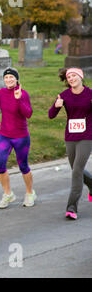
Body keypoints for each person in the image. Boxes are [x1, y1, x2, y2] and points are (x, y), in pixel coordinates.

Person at [0, 67, 36, 209]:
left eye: (11, 77)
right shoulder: (2, 92)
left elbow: (28, 114)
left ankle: (30, 193)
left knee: (23, 166)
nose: (8, 80)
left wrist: (19, 99)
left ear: (17, 79)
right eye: (6, 78)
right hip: (5, 136)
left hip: (21, 137)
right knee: (0, 164)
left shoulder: (23, 94)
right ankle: (8, 194)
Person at [48, 67, 92, 220]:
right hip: (70, 137)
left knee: (77, 170)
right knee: (76, 169)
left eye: (74, 76)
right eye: (69, 77)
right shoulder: (64, 95)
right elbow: (50, 115)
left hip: (87, 137)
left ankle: (72, 207)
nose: (71, 79)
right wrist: (56, 105)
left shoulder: (90, 93)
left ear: (81, 77)